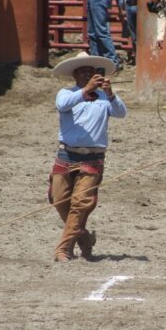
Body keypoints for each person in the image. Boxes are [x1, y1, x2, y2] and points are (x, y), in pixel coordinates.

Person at [49, 52, 127, 262]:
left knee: (81, 203)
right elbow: (62, 106)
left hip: (93, 157)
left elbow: (121, 113)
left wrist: (110, 93)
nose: (88, 74)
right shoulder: (66, 93)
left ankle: (63, 249)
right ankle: (83, 237)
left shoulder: (105, 98)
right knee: (59, 201)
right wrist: (86, 90)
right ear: (75, 75)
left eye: (91, 71)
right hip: (66, 154)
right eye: (83, 71)